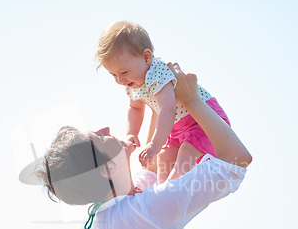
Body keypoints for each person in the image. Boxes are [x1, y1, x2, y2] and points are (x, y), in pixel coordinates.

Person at [34, 63, 252, 229]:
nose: (105, 129)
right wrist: (193, 99)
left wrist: (159, 94)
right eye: (99, 139)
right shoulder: (145, 213)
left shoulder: (92, 228)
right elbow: (237, 161)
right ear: (107, 170)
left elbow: (150, 170)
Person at [96, 21, 232, 183]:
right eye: (113, 75)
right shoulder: (132, 82)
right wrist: (132, 133)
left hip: (202, 121)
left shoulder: (158, 72)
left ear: (146, 57)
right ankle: (160, 193)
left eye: (124, 72)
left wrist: (154, 143)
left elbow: (167, 109)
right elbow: (135, 108)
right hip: (176, 128)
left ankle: (171, 192)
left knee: (185, 155)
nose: (119, 79)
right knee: (163, 158)